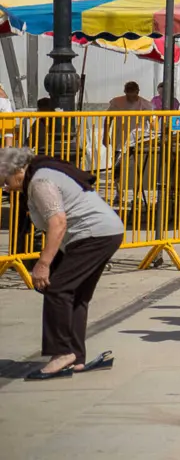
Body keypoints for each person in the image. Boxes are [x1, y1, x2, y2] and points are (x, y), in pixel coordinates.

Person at [0, 147, 124, 379]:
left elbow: (58, 222)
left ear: (17, 171)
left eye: (4, 180)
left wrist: (43, 263)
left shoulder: (40, 181)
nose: (4, 187)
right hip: (103, 232)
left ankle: (62, 352)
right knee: (76, 294)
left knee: (57, 288)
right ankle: (75, 357)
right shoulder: (41, 174)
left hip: (92, 235)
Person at [103, 81, 152, 149]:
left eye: (133, 94)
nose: (131, 97)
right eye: (128, 95)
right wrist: (105, 135)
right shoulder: (116, 102)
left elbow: (152, 122)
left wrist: (152, 137)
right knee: (118, 158)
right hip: (120, 140)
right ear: (125, 92)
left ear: (137, 92)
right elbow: (108, 118)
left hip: (139, 141)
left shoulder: (146, 105)